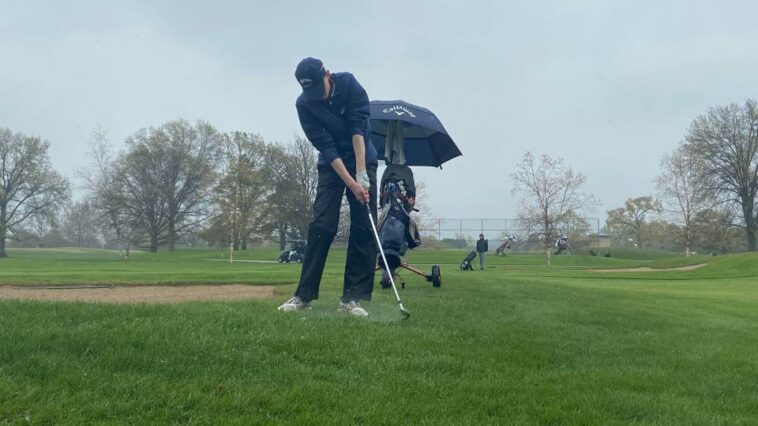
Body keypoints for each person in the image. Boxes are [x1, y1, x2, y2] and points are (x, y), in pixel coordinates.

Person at [278, 57, 378, 317]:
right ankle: (304, 295)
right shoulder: (304, 103)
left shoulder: (349, 85)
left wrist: (361, 174)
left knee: (363, 225)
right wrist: (350, 182)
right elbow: (326, 145)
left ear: (328, 75)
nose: (316, 96)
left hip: (362, 156)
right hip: (331, 164)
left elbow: (359, 130)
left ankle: (351, 298)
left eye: (317, 88)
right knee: (322, 224)